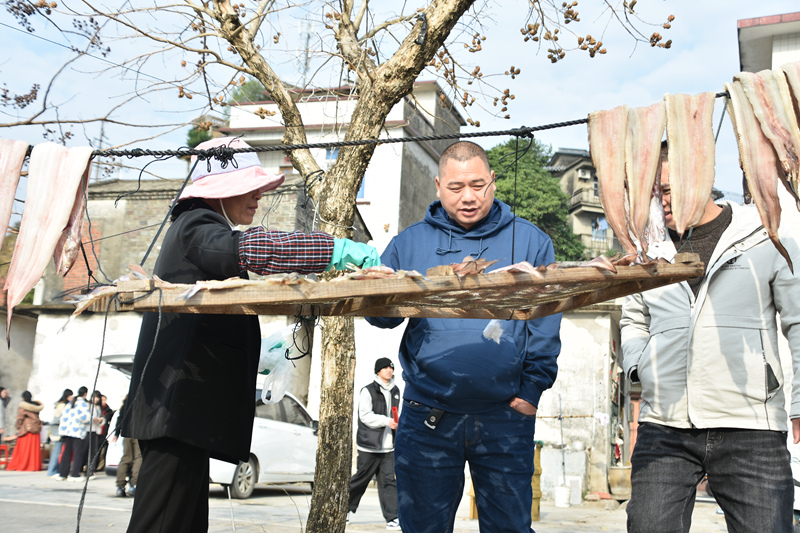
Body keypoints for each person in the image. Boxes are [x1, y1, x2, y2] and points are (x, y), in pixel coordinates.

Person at [120, 136, 380, 533]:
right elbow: (253, 249)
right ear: (221, 190)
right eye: (250, 187)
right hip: (174, 412)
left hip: (185, 417)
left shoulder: (202, 230)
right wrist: (333, 250)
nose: (259, 195)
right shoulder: (197, 226)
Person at [366, 141, 562, 533]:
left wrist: (530, 393)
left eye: (478, 185)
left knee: (510, 528)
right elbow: (381, 319)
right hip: (428, 418)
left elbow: (545, 324)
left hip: (505, 415)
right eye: (456, 188)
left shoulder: (531, 240)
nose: (468, 197)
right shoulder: (409, 243)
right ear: (438, 186)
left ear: (493, 181)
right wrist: (376, 291)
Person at [620, 143, 800, 533]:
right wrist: (640, 367)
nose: (660, 202)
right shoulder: (646, 250)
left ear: (702, 178)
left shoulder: (762, 231)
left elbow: (798, 321)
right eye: (653, 193)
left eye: (667, 190)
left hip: (751, 422)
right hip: (664, 424)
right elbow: (633, 319)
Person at [348, 357, 401, 530]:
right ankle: (344, 510)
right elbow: (365, 416)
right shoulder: (368, 391)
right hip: (369, 446)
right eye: (385, 368)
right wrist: (387, 421)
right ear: (377, 371)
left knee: (389, 482)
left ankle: (392, 518)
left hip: (388, 447)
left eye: (391, 368)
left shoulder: (395, 390)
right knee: (361, 479)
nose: (389, 370)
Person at [57, 386, 91, 482]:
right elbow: (85, 418)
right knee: (77, 454)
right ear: (85, 394)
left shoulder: (70, 403)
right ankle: (74, 474)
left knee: (66, 453)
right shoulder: (83, 404)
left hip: (67, 431)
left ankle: (63, 473)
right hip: (78, 432)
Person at [110, 395, 141, 497]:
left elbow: (121, 417)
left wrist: (117, 432)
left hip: (127, 431)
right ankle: (135, 484)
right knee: (138, 457)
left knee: (126, 458)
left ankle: (120, 486)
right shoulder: (143, 400)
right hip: (139, 432)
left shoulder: (127, 402)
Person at [6, 390, 44, 471]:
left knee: (24, 450)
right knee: (34, 450)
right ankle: (34, 466)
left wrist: (18, 426)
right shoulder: (36, 406)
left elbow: (20, 418)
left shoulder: (23, 407)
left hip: (26, 430)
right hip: (36, 429)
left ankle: (23, 465)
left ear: (23, 398)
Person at [47, 388, 73, 478]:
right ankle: (52, 471)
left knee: (59, 452)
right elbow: (56, 419)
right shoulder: (61, 405)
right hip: (58, 431)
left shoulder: (64, 405)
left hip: (62, 431)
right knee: (57, 452)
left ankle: (56, 470)